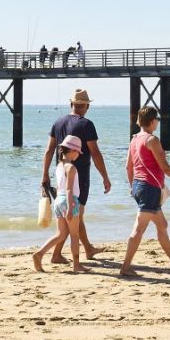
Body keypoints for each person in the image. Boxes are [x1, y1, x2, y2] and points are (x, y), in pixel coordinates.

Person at [119, 106, 170, 277]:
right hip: (149, 188)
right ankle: (125, 267)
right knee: (139, 229)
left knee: (162, 225)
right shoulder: (152, 140)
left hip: (139, 185)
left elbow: (128, 166)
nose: (158, 122)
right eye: (157, 119)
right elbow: (165, 167)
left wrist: (132, 186)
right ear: (152, 121)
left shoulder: (134, 139)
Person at [41, 89, 111, 263]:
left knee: (73, 215)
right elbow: (95, 153)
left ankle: (88, 248)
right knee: (74, 215)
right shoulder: (86, 124)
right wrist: (105, 177)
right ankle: (57, 254)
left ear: (71, 104)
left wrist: (44, 176)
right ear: (86, 106)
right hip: (78, 176)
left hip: (60, 174)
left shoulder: (57, 123)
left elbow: (49, 150)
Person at [32, 135, 90, 273]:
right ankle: (76, 265)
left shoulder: (59, 166)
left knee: (60, 234)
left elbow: (60, 188)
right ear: (72, 151)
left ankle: (39, 254)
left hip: (58, 200)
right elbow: (70, 189)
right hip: (69, 201)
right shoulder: (71, 168)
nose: (78, 155)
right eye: (78, 152)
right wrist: (70, 208)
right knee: (74, 235)